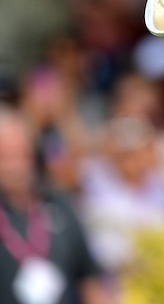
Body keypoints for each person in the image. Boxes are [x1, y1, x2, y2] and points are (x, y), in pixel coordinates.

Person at [0, 106, 108, 304]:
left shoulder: (59, 203)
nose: (18, 166)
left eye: (24, 154)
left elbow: (89, 276)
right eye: (7, 157)